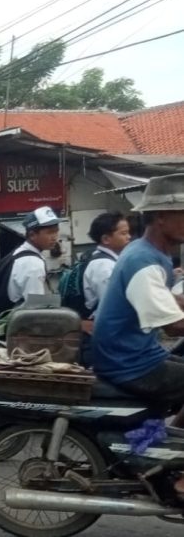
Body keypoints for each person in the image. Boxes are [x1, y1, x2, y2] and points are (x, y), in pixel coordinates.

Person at [92, 174, 184, 499]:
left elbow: (169, 302)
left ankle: (157, 446)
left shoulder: (148, 252)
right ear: (161, 216)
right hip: (128, 361)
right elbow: (173, 324)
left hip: (132, 353)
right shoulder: (143, 260)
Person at [0, 206, 63, 333]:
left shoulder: (20, 253)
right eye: (50, 232)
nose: (55, 237)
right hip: (25, 332)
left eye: (56, 231)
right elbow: (35, 310)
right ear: (32, 235)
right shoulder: (32, 264)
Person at [82, 212, 131, 315]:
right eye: (124, 233)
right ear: (106, 239)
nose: (129, 237)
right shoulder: (104, 266)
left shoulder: (106, 260)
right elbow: (112, 305)